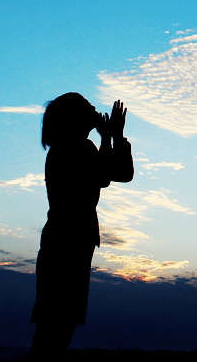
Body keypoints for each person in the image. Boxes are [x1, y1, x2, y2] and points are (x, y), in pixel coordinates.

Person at [28, 93, 134, 358]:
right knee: (54, 329)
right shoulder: (70, 148)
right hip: (66, 245)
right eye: (88, 107)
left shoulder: (76, 147)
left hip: (69, 243)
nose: (95, 109)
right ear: (74, 117)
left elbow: (121, 174)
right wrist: (108, 137)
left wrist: (115, 137)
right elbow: (105, 176)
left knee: (58, 328)